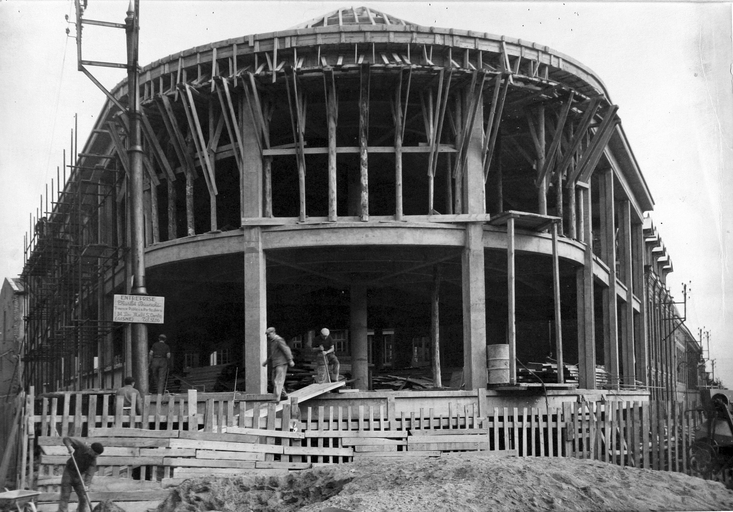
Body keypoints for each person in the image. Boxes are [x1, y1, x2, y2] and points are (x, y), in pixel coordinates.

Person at [58, 437, 104, 512]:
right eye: (95, 454)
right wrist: (69, 447)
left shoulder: (93, 461)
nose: (96, 456)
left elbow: (89, 474)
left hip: (79, 477)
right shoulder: (81, 447)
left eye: (97, 455)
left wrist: (86, 485)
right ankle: (62, 510)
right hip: (69, 473)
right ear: (91, 449)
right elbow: (66, 439)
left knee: (83, 497)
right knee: (65, 495)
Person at [262, 327, 294, 401]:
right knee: (273, 381)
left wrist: (290, 360)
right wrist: (266, 362)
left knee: (278, 381)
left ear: (273, 333)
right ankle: (283, 394)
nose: (268, 336)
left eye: (269, 334)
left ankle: (277, 398)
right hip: (275, 363)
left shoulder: (279, 340)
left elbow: (286, 349)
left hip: (281, 363)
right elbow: (273, 354)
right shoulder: (273, 342)